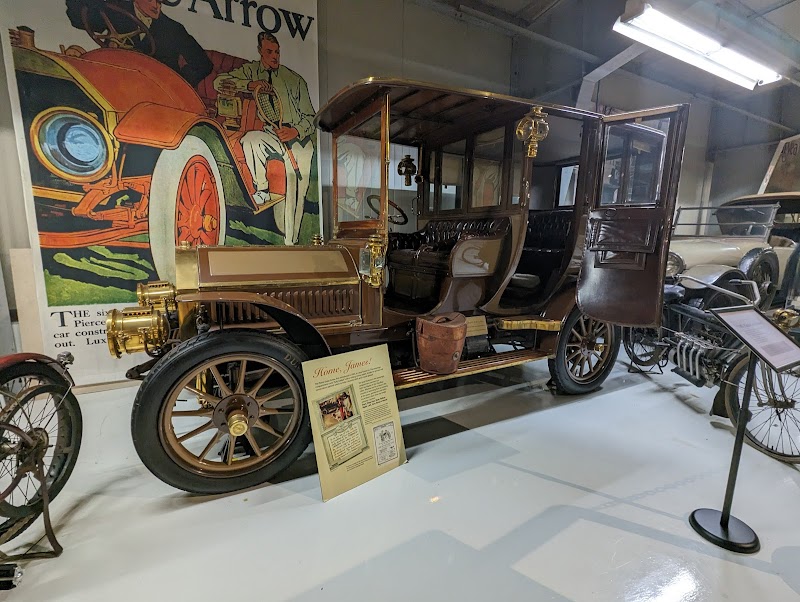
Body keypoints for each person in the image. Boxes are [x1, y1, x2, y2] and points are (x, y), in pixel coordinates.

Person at [213, 32, 316, 245]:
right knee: (251, 140)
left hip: (300, 139)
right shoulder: (251, 71)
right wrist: (250, 85)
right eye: (269, 51)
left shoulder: (295, 80)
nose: (274, 56)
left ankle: (291, 241)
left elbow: (311, 119)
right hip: (272, 133)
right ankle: (261, 191)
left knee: (296, 183)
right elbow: (219, 83)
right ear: (260, 51)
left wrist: (295, 131)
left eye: (277, 52)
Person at [66, 0, 213, 87]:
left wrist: (175, 82)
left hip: (151, 89)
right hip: (113, 77)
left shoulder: (173, 29)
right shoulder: (115, 10)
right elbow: (78, 19)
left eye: (159, 1)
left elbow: (204, 64)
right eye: (150, 0)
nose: (156, 6)